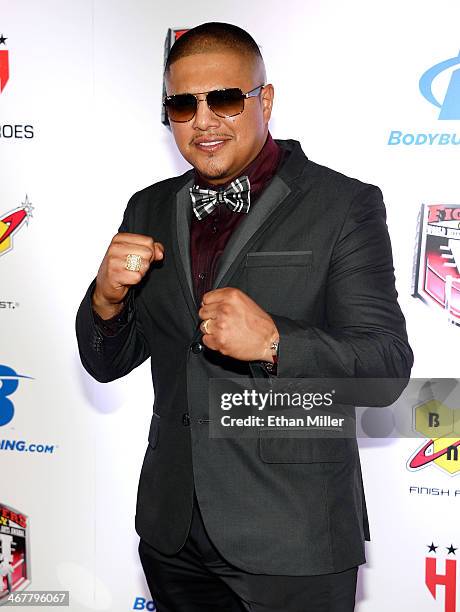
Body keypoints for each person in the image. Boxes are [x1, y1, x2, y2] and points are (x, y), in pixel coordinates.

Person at [75, 21, 413, 612]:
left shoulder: (344, 205)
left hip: (294, 537)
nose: (203, 121)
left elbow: (386, 369)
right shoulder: (148, 206)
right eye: (183, 104)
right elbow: (105, 364)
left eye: (225, 99)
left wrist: (275, 342)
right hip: (172, 531)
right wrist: (105, 299)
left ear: (266, 100)